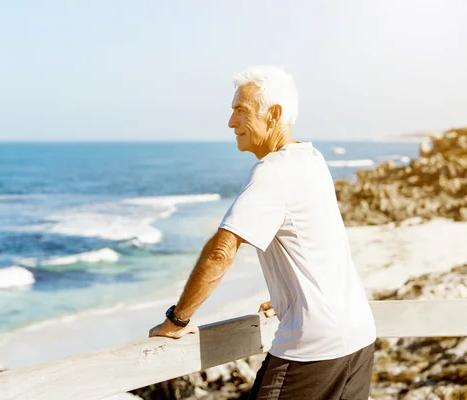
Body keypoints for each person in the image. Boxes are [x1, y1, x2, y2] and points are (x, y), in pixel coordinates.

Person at [149, 66, 376, 399]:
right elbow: (318, 242)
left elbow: (221, 252)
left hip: (312, 347)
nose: (231, 122)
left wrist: (177, 320)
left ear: (274, 115)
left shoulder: (272, 171)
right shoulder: (312, 159)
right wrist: (290, 296)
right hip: (358, 336)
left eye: (240, 111)